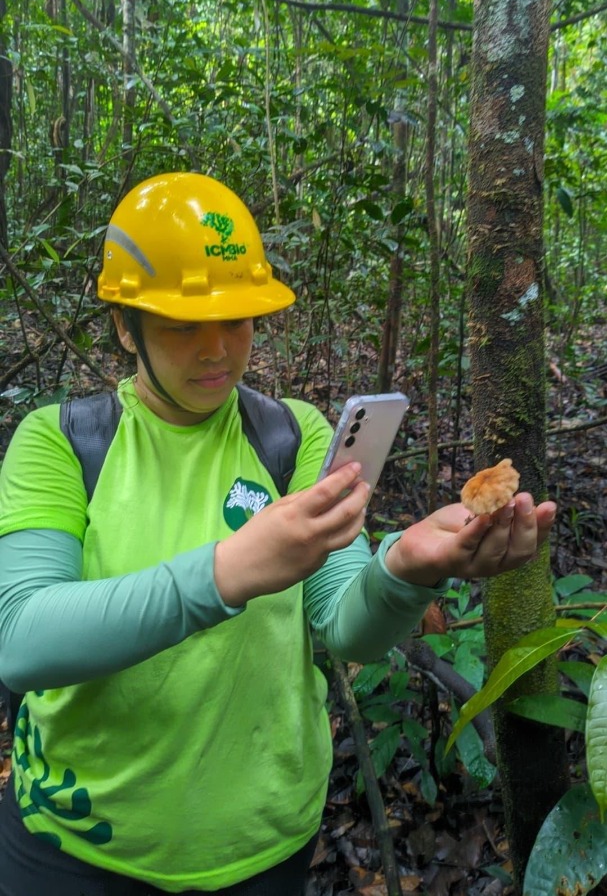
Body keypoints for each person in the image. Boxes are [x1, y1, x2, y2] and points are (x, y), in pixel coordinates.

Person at [0, 172, 556, 896]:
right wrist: (228, 570)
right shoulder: (63, 442)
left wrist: (406, 570)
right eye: (182, 325)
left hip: (262, 846)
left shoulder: (291, 438)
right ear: (123, 324)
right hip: (74, 843)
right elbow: (22, 639)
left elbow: (348, 629)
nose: (217, 350)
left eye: (237, 319)